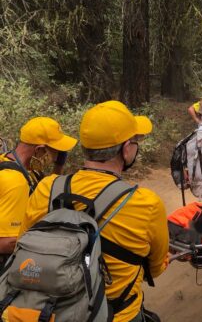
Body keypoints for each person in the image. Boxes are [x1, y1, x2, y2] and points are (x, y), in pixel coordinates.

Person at [18, 101, 169, 322]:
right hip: (116, 315)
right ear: (126, 149)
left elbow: (24, 241)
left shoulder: (47, 188)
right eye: (136, 142)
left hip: (50, 313)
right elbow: (155, 269)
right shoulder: (146, 203)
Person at [0, 117, 76, 270]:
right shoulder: (16, 182)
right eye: (56, 151)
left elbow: (42, 193)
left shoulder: (12, 162)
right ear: (40, 150)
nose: (56, 156)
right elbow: (5, 243)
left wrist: (58, 166)